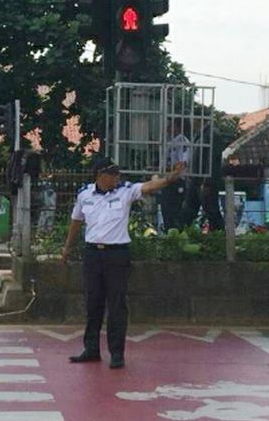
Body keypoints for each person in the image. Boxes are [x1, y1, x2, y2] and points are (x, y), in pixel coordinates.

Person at [61, 156, 187, 369]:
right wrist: (67, 248)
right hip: (93, 254)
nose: (117, 177)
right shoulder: (84, 194)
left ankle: (117, 353)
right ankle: (91, 348)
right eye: (113, 174)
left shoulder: (125, 191)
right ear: (101, 175)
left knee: (117, 303)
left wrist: (169, 178)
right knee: (93, 303)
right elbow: (76, 222)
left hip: (117, 254)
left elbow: (148, 186)